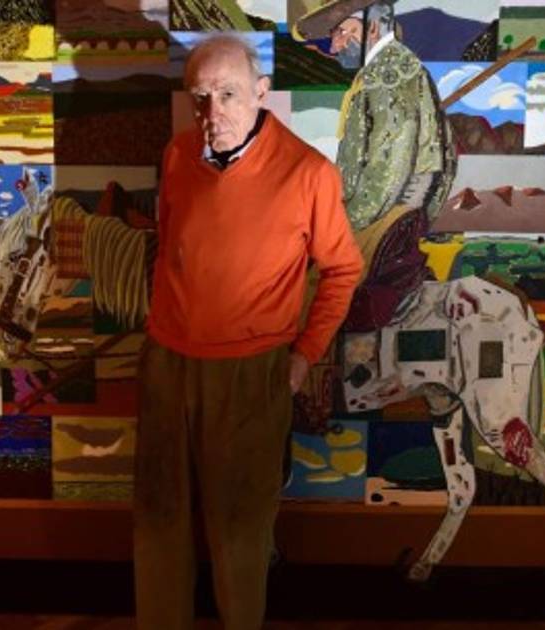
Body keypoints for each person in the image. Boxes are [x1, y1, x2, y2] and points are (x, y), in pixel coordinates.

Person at [133, 34, 363, 629]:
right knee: (159, 519)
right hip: (167, 363)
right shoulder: (177, 154)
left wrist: (305, 354)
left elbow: (343, 269)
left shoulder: (309, 173)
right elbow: (172, 248)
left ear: (262, 92)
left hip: (251, 372)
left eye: (228, 94)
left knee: (240, 531)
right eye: (200, 97)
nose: (213, 113)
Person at [296, 0, 457, 332]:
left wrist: (341, 225)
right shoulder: (392, 67)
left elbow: (388, 170)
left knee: (313, 297)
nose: (335, 46)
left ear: (371, 27)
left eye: (343, 33)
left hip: (383, 215)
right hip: (391, 212)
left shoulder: (388, 73)